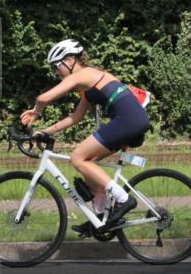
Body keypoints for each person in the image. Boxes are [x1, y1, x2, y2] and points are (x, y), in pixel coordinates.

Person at [20, 39, 151, 235]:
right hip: (131, 120)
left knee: (77, 157)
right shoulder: (88, 84)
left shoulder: (84, 74)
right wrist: (45, 131)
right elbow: (76, 117)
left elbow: (43, 98)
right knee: (89, 164)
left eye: (57, 66)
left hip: (128, 120)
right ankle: (100, 219)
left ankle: (124, 199)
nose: (57, 72)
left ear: (70, 60)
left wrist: (35, 112)